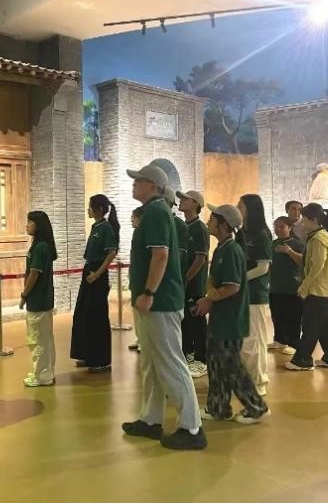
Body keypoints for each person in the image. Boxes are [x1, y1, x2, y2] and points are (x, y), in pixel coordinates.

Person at [121, 164, 205, 451]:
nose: (134, 185)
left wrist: (148, 292)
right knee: (152, 362)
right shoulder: (153, 212)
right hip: (153, 303)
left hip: (160, 302)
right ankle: (151, 419)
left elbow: (161, 255)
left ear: (153, 186)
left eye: (139, 181)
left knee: (170, 362)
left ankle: (191, 427)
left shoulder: (156, 212)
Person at [193, 204, 269, 424]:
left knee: (231, 366)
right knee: (217, 365)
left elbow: (232, 287)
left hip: (230, 320)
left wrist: (210, 298)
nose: (208, 221)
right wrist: (210, 297)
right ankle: (218, 407)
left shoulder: (231, 251)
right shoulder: (222, 249)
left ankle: (256, 407)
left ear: (224, 224)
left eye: (212, 218)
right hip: (221, 318)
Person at [285, 203, 328, 371]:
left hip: (318, 289)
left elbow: (317, 265)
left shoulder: (318, 239)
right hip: (323, 288)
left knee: (311, 325)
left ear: (314, 220)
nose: (302, 223)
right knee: (327, 325)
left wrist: (305, 285)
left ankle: (302, 360)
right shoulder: (319, 236)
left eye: (304, 219)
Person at [71, 194, 119, 372]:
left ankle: (100, 359)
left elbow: (111, 253)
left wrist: (97, 274)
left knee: (97, 317)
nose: (88, 210)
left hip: (97, 275)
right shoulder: (95, 227)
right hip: (88, 272)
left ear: (99, 209)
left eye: (90, 206)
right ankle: (86, 354)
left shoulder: (106, 228)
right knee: (83, 314)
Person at [237, 194, 273, 396]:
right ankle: (247, 379)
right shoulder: (242, 232)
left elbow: (263, 267)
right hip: (242, 294)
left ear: (251, 209)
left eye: (240, 206)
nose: (238, 209)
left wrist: (240, 279)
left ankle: (259, 381)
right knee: (245, 340)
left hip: (256, 295)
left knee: (255, 339)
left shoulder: (261, 234)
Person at [20, 211, 58, 387]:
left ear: (38, 225)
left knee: (37, 339)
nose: (27, 225)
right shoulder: (40, 245)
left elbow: (34, 274)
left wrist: (24, 294)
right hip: (43, 299)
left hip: (38, 300)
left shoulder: (41, 247)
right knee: (45, 337)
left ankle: (42, 375)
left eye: (30, 222)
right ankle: (46, 371)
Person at [176, 190, 210, 378]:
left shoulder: (199, 228)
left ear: (196, 203)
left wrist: (187, 278)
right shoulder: (183, 226)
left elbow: (200, 258)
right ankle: (188, 352)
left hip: (194, 284)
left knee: (197, 321)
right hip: (183, 284)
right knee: (186, 321)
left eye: (185, 199)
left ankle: (202, 359)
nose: (181, 201)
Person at [269, 217, 305, 356]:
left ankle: (293, 343)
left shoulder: (298, 244)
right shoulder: (272, 244)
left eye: (282, 226)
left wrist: (289, 251)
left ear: (289, 228)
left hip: (293, 288)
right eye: (276, 227)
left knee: (293, 317)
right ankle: (279, 339)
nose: (278, 229)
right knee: (277, 315)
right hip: (275, 287)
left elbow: (303, 262)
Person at [128, 207, 142, 353]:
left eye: (134, 217)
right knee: (136, 312)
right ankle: (139, 337)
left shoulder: (145, 235)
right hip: (135, 279)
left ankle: (144, 340)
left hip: (142, 282)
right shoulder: (136, 234)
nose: (132, 219)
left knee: (142, 313)